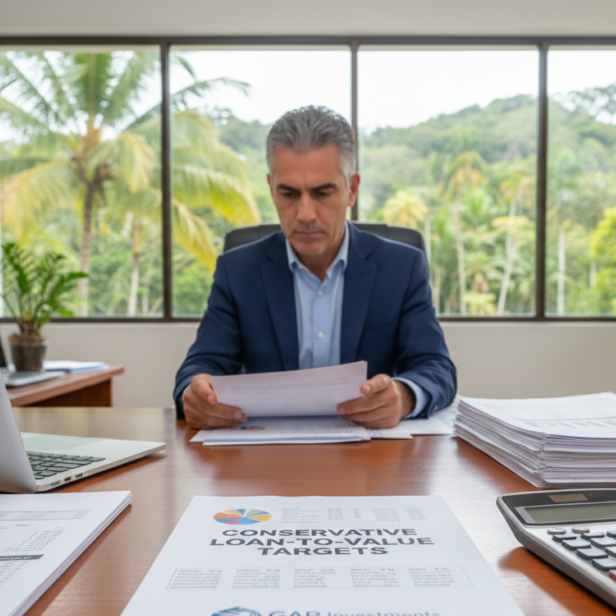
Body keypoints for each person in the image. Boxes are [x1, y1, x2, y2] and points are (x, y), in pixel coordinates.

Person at [173, 105, 456, 430]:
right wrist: (193, 393)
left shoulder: (402, 267)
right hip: (267, 460)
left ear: (351, 189)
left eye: (322, 192)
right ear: (270, 188)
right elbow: (202, 363)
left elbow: (435, 367)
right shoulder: (237, 271)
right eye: (289, 193)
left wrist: (403, 396)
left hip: (372, 459)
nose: (305, 213)